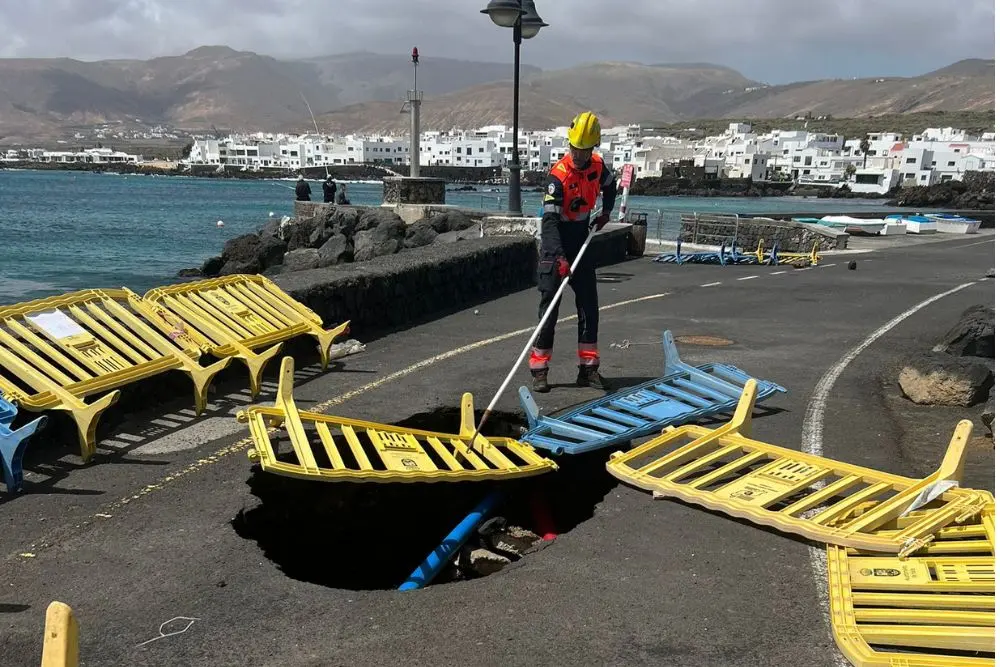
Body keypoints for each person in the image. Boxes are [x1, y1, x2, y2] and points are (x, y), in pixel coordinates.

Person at [529, 111, 617, 393]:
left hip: (582, 238)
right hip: (557, 243)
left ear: (592, 148)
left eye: (584, 150)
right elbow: (549, 222)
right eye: (574, 149)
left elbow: (610, 184)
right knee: (550, 310)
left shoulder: (598, 167)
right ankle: (539, 371)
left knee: (589, 306)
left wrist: (606, 212)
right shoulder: (558, 177)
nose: (578, 155)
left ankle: (588, 370)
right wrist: (559, 257)